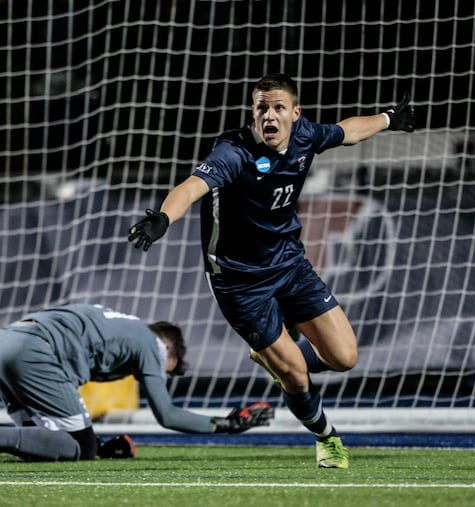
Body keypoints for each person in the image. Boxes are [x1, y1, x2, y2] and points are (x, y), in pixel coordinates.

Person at [128, 73, 415, 468]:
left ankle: (275, 357)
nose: (270, 115)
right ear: (253, 111)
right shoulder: (233, 152)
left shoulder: (305, 136)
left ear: (295, 114)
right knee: (297, 377)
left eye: (279, 107)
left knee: (345, 358)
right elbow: (192, 186)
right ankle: (326, 437)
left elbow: (347, 131)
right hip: (240, 282)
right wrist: (163, 217)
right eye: (262, 107)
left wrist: (386, 119)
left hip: (290, 265)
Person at [0, 303, 274, 463]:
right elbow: (167, 414)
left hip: (1, 345)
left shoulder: (119, 323)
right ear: (169, 349)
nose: (157, 374)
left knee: (40, 444)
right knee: (81, 447)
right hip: (37, 353)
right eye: (169, 369)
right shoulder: (152, 346)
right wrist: (225, 423)